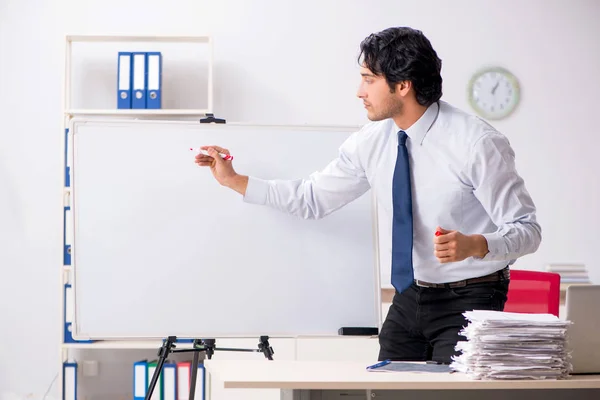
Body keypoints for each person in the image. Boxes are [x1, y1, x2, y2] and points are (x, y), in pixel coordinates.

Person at [194, 26, 541, 364]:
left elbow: (527, 229)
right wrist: (234, 180)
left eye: (369, 79)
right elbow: (311, 198)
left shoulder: (476, 143)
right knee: (383, 389)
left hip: (472, 295)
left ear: (402, 85)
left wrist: (477, 244)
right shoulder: (372, 141)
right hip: (409, 295)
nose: (359, 91)